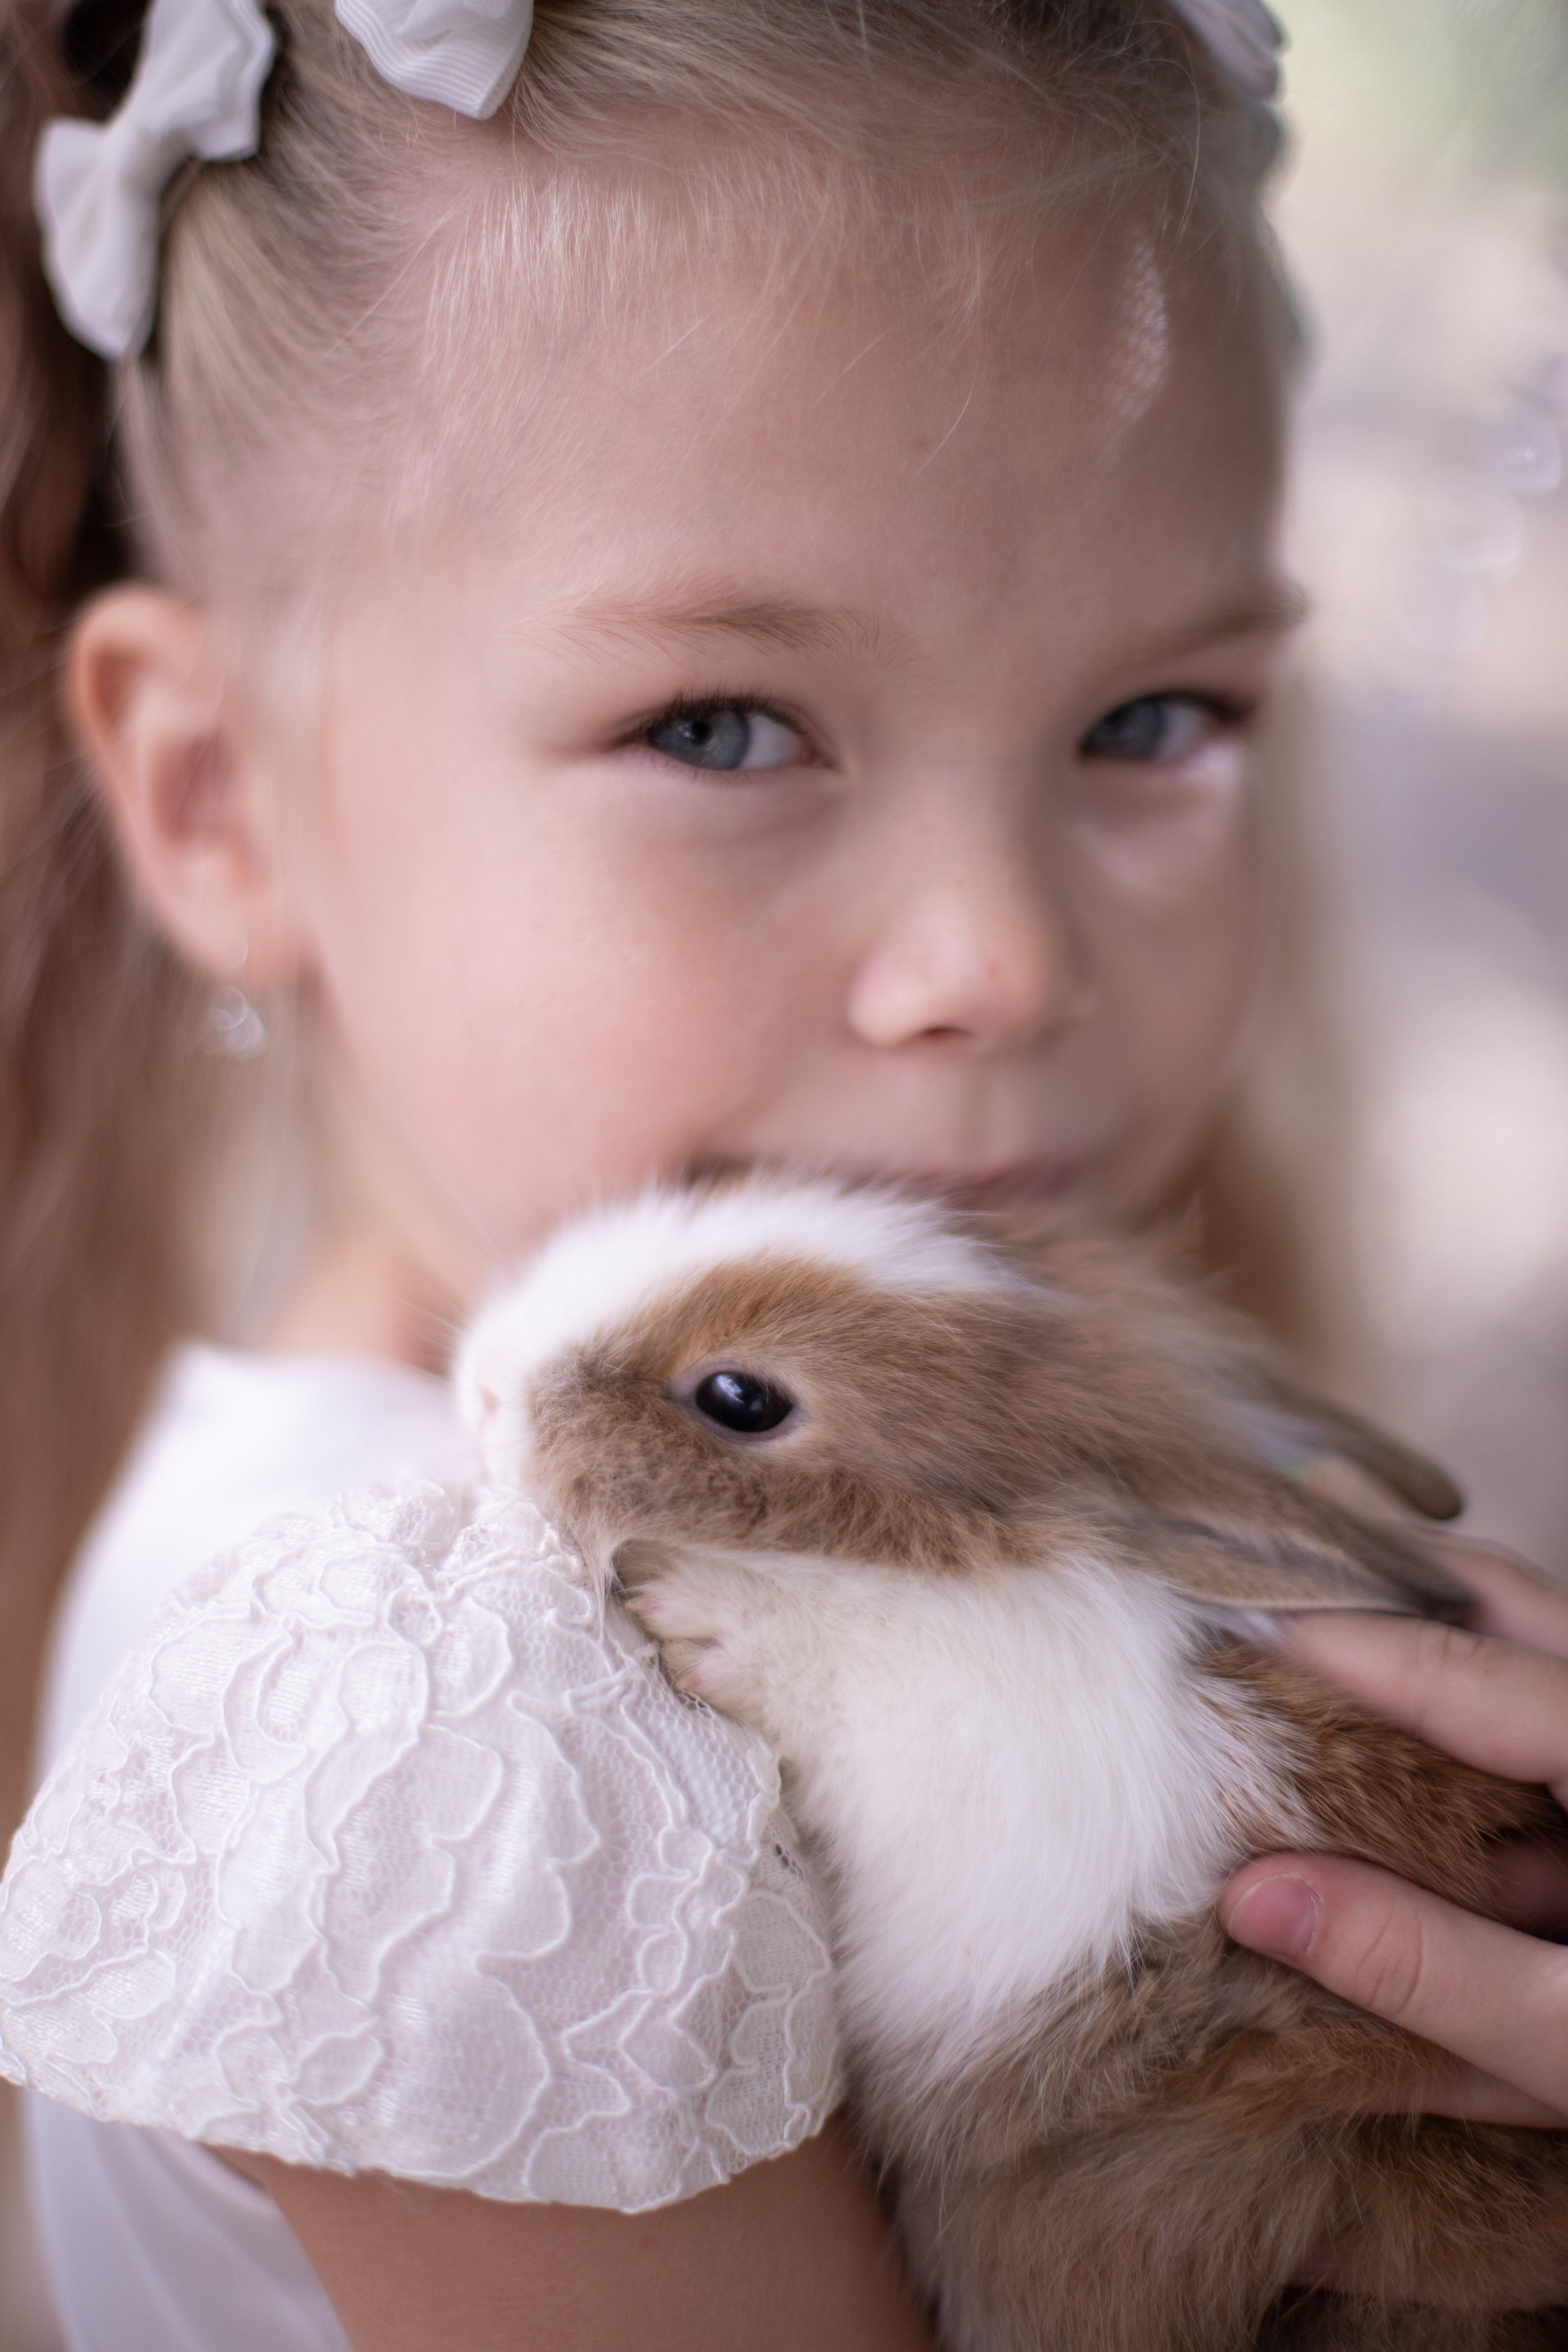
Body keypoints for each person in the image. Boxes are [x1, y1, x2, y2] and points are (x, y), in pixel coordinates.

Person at [0, 0, 1558, 2345]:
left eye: (1156, 720)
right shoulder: (463, 1742)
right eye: (718, 726)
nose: (1003, 960)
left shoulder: (783, 1562)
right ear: (219, 799)